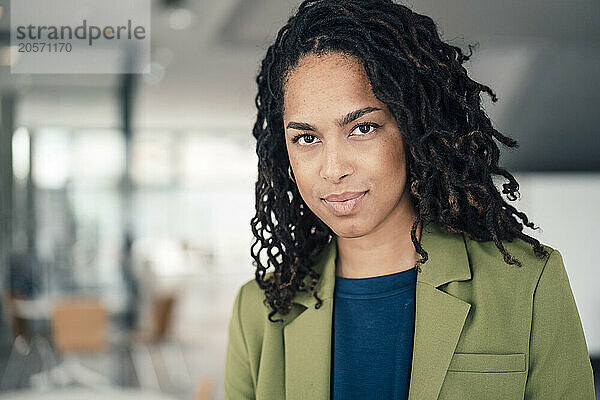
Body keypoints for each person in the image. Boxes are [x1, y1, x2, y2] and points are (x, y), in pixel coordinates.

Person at [224, 0, 596, 399]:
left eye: (362, 128)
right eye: (307, 138)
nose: (333, 169)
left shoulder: (528, 284)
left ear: (413, 128)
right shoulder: (258, 309)